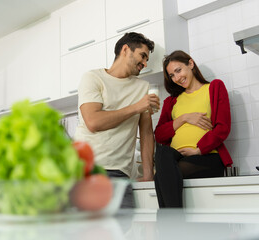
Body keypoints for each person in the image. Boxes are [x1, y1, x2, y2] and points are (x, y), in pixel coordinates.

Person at [74, 32, 160, 208]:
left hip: (120, 174)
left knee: (121, 230)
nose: (144, 64)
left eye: (147, 61)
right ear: (126, 49)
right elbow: (93, 122)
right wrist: (137, 106)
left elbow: (146, 134)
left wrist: (148, 175)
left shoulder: (142, 87)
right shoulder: (93, 78)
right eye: (142, 56)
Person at [154, 50, 232, 208]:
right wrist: (184, 118)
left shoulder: (214, 87)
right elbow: (160, 135)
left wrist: (198, 150)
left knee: (160, 177)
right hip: (176, 160)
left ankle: (172, 226)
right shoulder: (171, 101)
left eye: (178, 70)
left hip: (206, 158)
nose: (177, 78)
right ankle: (176, 225)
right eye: (172, 75)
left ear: (190, 64)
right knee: (163, 153)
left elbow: (223, 127)